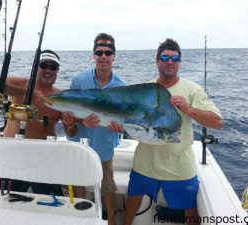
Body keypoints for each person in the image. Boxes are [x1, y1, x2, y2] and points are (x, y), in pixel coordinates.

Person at [123, 39, 223, 225]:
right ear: (157, 60)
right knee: (133, 199)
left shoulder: (192, 89)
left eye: (175, 58)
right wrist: (117, 125)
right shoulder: (145, 89)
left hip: (179, 167)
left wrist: (189, 109)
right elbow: (129, 119)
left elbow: (217, 122)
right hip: (145, 164)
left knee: (189, 209)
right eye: (165, 57)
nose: (170, 61)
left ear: (179, 62)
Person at [62, 33, 125, 225]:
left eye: (108, 52)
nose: (103, 56)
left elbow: (121, 120)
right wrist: (81, 122)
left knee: (107, 186)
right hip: (80, 142)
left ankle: (112, 220)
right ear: (94, 55)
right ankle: (82, 218)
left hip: (105, 143)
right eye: (99, 52)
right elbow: (70, 114)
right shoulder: (79, 80)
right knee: (79, 180)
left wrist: (118, 128)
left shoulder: (121, 87)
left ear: (114, 56)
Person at [0, 49, 64, 196]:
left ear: (58, 71)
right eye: (44, 65)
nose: (48, 70)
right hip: (12, 156)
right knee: (11, 202)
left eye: (53, 67)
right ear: (35, 67)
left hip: (45, 158)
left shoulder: (61, 96)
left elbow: (72, 130)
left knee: (52, 204)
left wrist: (71, 125)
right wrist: (27, 93)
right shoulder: (17, 83)